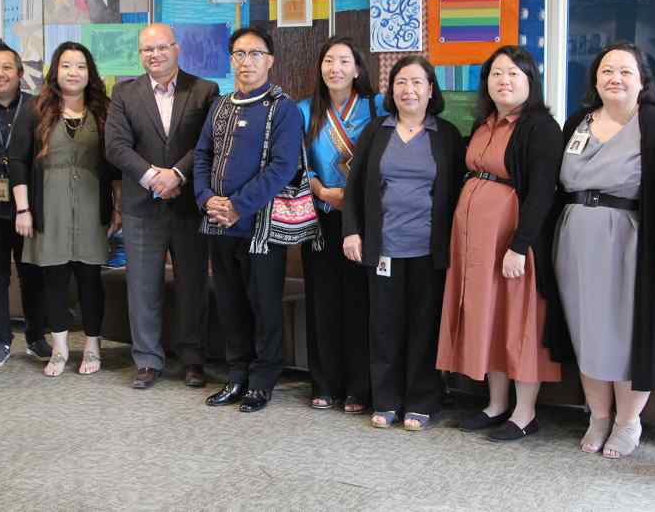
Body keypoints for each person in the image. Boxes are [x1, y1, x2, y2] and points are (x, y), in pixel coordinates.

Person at [553, 41, 655, 458]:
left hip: (634, 241)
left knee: (630, 333)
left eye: (625, 71)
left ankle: (628, 422)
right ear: (595, 78)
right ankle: (598, 414)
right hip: (575, 237)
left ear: (643, 80)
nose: (615, 78)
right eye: (607, 71)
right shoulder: (577, 122)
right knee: (586, 328)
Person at [437, 47, 563, 442]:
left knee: (518, 322)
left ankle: (525, 413)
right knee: (487, 317)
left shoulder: (540, 127)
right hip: (474, 243)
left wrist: (519, 245)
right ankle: (495, 404)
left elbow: (542, 192)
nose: (503, 81)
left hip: (512, 241)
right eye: (495, 74)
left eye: (513, 74)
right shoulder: (484, 123)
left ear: (530, 81)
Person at [342, 55, 463, 431]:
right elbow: (353, 189)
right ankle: (386, 400)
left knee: (423, 326)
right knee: (384, 326)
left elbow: (458, 194)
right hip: (384, 248)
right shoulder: (377, 131)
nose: (408, 90)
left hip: (430, 250)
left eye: (417, 82)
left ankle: (422, 400)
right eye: (400, 83)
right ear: (390, 90)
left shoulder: (447, 136)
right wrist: (351, 231)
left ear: (430, 90)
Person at [105, 24, 219, 389]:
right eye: (146, 50)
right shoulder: (124, 93)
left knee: (192, 284)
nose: (153, 55)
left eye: (160, 47)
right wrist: (154, 177)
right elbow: (116, 146)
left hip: (188, 205)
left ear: (176, 48)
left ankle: (193, 358)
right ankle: (147, 360)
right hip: (142, 205)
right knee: (142, 287)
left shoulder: (204, 90)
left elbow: (209, 143)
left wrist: (178, 176)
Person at [195, 26, 301, 413]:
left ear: (270, 61)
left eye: (255, 54)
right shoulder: (220, 106)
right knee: (229, 303)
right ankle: (236, 375)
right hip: (219, 224)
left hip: (261, 227)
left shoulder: (283, 108)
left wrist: (239, 204)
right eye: (239, 54)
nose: (246, 61)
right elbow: (202, 155)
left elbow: (283, 167)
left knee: (263, 305)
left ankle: (262, 380)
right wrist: (207, 198)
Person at [9, 42, 121, 376]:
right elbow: (17, 160)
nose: (74, 73)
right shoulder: (36, 109)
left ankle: (92, 345)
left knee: (90, 280)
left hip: (91, 207)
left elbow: (114, 165)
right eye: (67, 65)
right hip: (48, 208)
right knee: (53, 278)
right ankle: (59, 348)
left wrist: (118, 208)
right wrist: (23, 209)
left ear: (91, 73)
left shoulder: (104, 110)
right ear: (55, 70)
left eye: (81, 66)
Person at [297, 36, 386, 412]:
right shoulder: (304, 110)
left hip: (362, 220)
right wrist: (318, 187)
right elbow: (293, 162)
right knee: (322, 301)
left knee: (360, 302)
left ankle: (359, 387)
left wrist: (349, 197)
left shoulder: (377, 105)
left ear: (358, 68)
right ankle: (325, 382)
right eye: (329, 60)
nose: (336, 68)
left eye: (344, 61)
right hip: (321, 216)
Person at [0, 42, 50, 368]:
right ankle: (0, 338)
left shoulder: (37, 107)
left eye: (5, 67)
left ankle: (36, 336)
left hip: (29, 202)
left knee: (33, 273)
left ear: (19, 73)